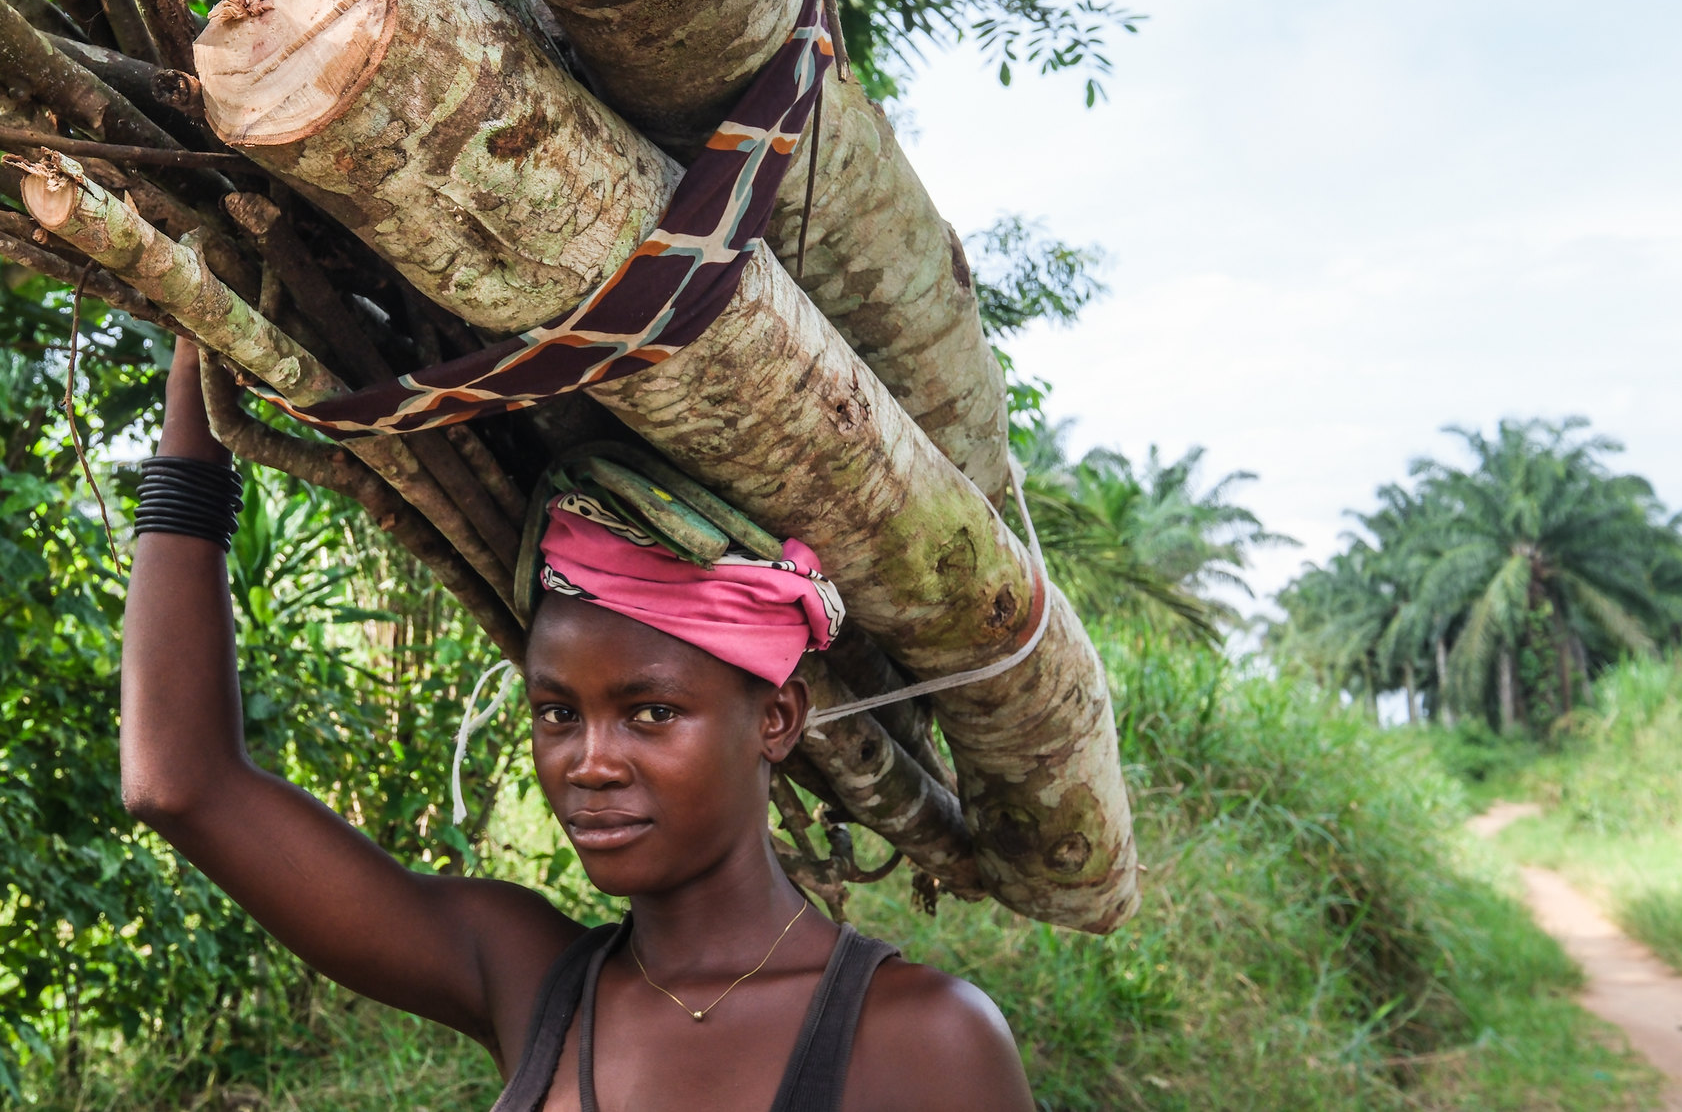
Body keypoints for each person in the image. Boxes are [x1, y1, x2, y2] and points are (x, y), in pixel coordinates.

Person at [122, 340, 1036, 1111]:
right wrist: (197, 375)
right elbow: (181, 783)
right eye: (558, 711)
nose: (590, 763)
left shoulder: (922, 1039)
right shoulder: (528, 978)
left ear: (778, 717)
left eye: (651, 712)